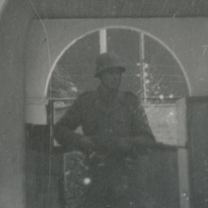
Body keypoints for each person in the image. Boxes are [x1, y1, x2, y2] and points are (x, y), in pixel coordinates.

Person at [54, 50, 156, 208]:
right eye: (110, 73)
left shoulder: (130, 103)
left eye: (118, 73)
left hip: (125, 178)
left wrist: (124, 143)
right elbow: (60, 130)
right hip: (95, 176)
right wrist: (81, 140)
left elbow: (148, 140)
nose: (116, 77)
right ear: (100, 76)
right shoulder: (86, 102)